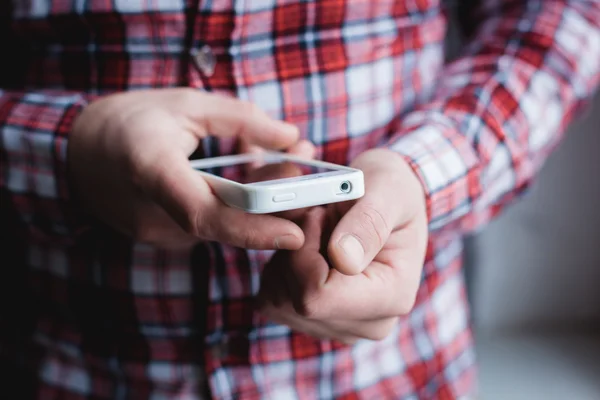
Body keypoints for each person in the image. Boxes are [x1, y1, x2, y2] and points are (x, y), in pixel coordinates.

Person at [0, 0, 598, 398]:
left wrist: (430, 171)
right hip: (76, 370)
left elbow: (562, 15)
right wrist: (61, 149)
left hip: (394, 375)